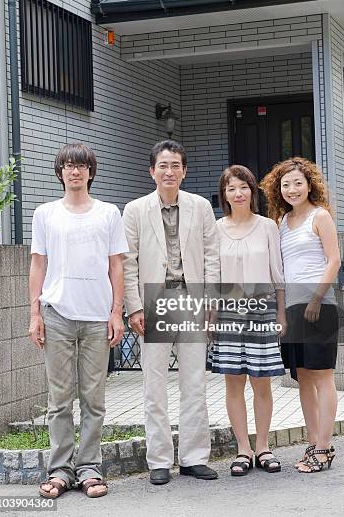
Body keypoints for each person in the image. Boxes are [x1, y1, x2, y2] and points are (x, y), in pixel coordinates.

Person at [29, 143, 128, 498]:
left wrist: (117, 312)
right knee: (59, 400)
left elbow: (116, 264)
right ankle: (59, 470)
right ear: (60, 172)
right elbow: (38, 263)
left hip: (97, 316)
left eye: (81, 166)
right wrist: (34, 313)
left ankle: (89, 467)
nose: (75, 171)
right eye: (68, 166)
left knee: (94, 399)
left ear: (90, 172)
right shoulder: (45, 213)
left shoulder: (108, 213)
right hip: (56, 313)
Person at [122, 140, 220, 485]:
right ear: (152, 171)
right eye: (163, 165)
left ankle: (194, 458)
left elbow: (212, 255)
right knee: (155, 384)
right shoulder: (134, 210)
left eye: (175, 165)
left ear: (184, 170)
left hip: (191, 299)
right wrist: (133, 306)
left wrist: (210, 301)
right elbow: (128, 262)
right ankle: (159, 460)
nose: (169, 171)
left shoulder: (201, 207)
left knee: (194, 382)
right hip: (154, 299)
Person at [260, 157, 341, 473]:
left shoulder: (320, 217)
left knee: (322, 375)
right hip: (292, 308)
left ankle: (324, 447)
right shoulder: (281, 223)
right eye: (286, 184)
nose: (292, 189)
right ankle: (312, 443)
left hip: (319, 306)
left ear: (310, 185)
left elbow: (334, 261)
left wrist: (317, 299)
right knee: (303, 377)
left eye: (298, 183)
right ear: (278, 190)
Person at [208, 165, 286, 476]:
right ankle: (242, 449)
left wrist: (281, 314)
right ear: (223, 194)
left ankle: (263, 446)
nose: (238, 193)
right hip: (226, 311)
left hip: (262, 309)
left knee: (261, 382)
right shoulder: (215, 228)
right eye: (231, 188)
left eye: (243, 187)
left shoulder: (268, 226)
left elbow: (278, 275)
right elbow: (211, 276)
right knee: (233, 383)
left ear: (252, 192)